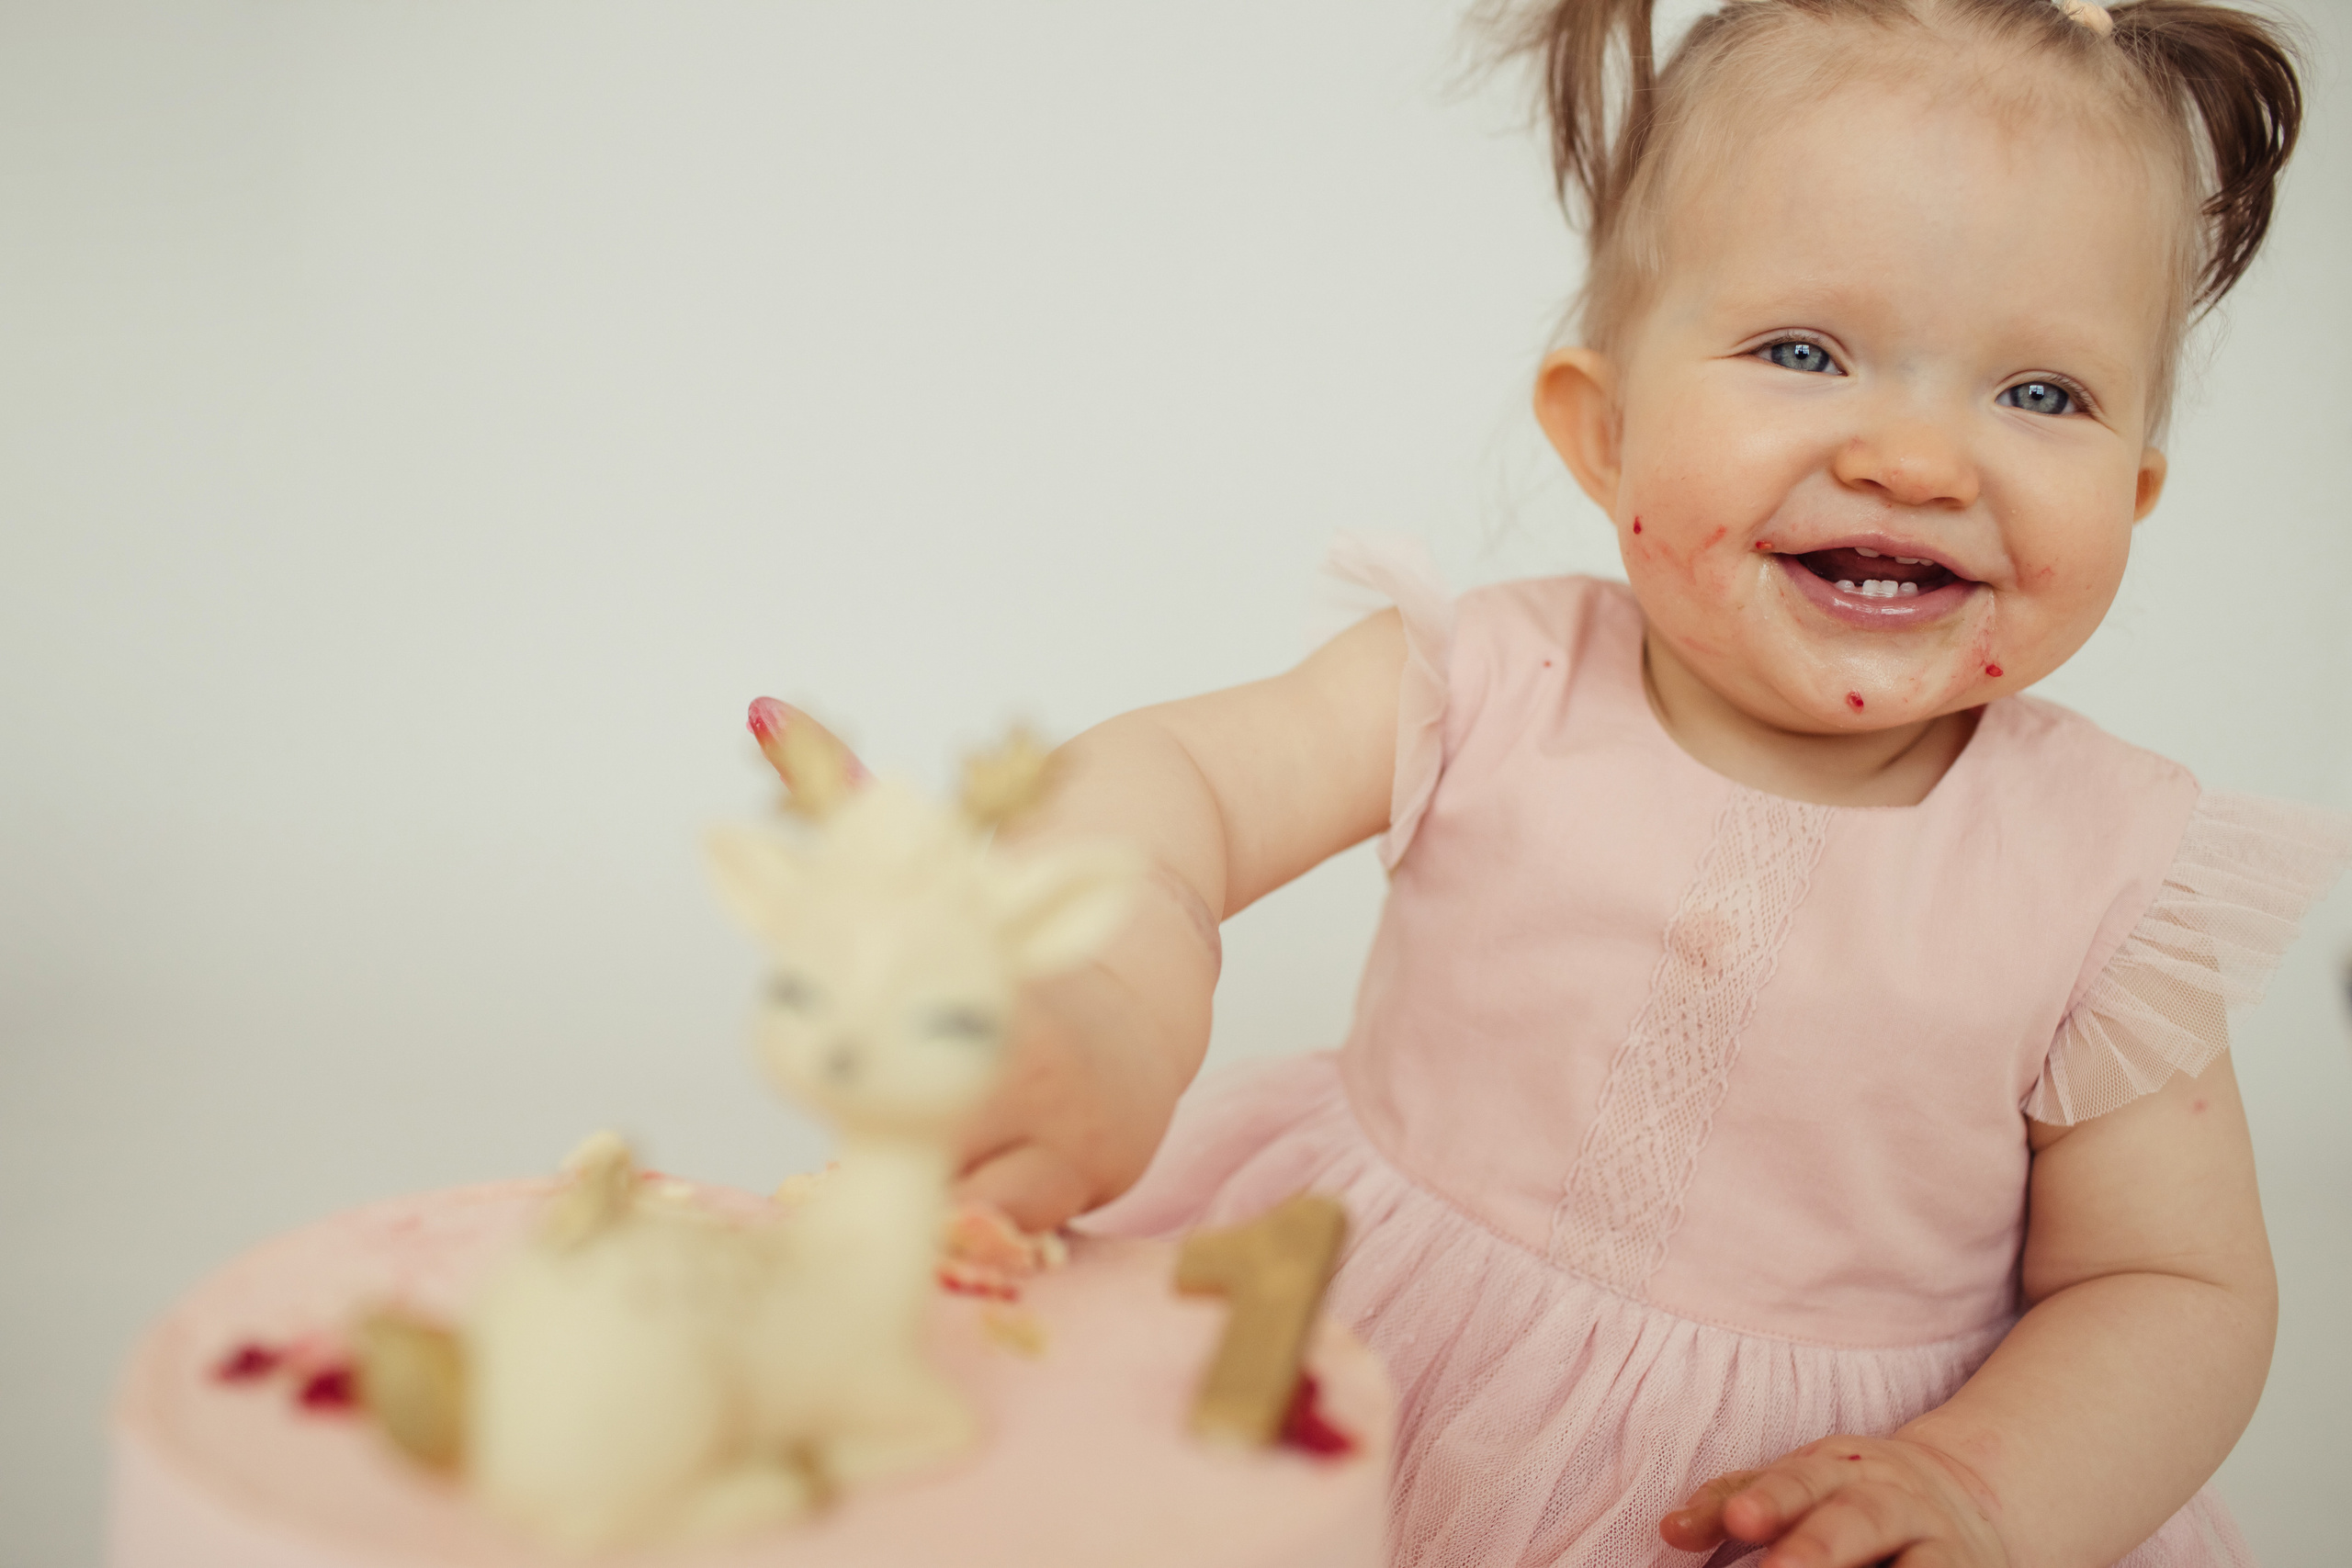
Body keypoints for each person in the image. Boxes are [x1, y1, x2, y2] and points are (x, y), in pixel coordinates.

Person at [767, 1, 2350, 1561]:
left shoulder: (2109, 878)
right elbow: (1182, 776)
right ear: (1602, 432)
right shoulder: (1490, 684)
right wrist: (1115, 984)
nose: (1921, 462)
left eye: (2043, 395)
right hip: (1355, 1354)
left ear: (2137, 486)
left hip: (1808, 1487)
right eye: (1805, 352)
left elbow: (2171, 1288)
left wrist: (1983, 1492)